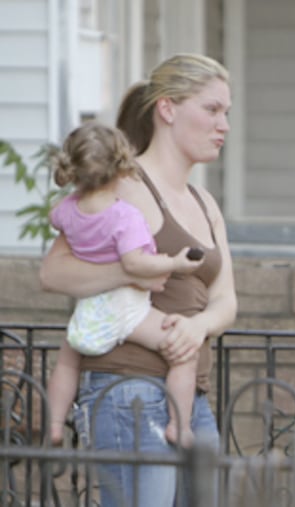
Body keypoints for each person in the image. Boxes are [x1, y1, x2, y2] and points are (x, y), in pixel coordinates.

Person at [39, 53, 237, 507]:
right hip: (128, 389)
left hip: (187, 398)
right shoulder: (123, 185)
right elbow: (53, 273)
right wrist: (134, 269)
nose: (223, 124)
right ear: (167, 109)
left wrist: (197, 327)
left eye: (227, 112)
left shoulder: (205, 202)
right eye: (211, 110)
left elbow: (226, 300)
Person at [46, 122, 204, 448]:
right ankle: (181, 425)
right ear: (121, 168)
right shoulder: (124, 217)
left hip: (89, 306)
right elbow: (135, 264)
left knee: (66, 361)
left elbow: (54, 217)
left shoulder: (67, 210)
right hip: (125, 307)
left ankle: (55, 425)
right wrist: (175, 263)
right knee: (185, 352)